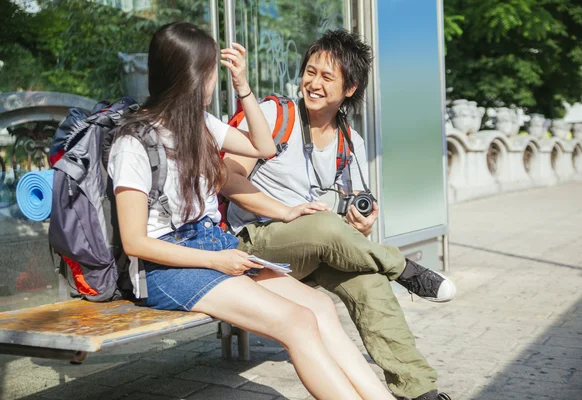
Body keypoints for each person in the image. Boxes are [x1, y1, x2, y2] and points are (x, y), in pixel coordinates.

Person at [108, 22, 397, 400]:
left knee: (320, 307)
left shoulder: (201, 124)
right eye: (213, 71)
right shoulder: (133, 143)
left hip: (213, 244)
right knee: (296, 322)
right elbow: (135, 243)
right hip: (167, 268)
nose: (216, 81)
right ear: (194, 76)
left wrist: (244, 86)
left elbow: (264, 147)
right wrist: (215, 262)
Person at [221, 29, 455, 400]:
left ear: (350, 88)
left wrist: (360, 225)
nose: (313, 83)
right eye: (310, 72)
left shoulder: (351, 141)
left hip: (311, 246)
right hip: (253, 240)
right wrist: (285, 212)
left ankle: (419, 390)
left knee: (369, 282)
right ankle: (403, 269)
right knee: (327, 226)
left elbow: (346, 217)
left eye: (326, 77)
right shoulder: (274, 114)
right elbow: (228, 179)